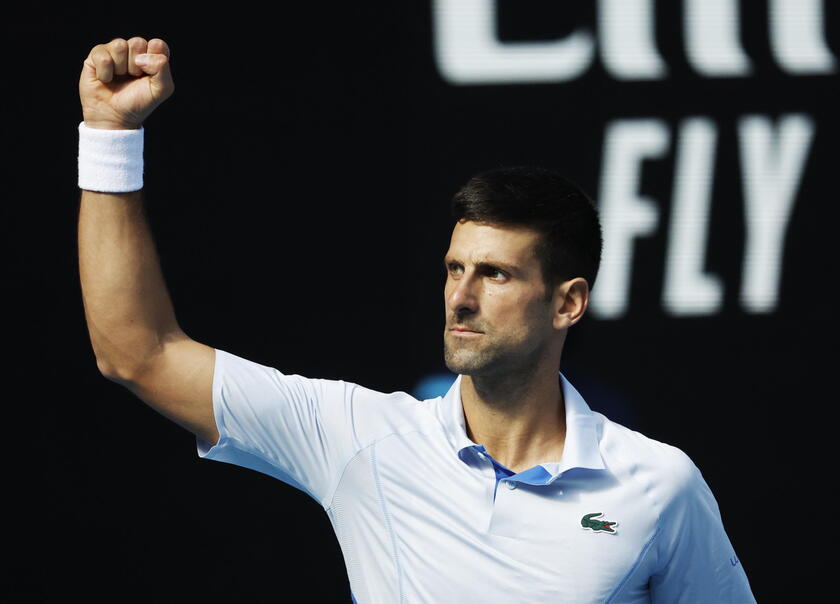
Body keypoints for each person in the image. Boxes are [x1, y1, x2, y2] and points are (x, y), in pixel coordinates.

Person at [78, 37, 756, 603]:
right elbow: (138, 353)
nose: (460, 297)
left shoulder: (659, 485)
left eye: (495, 275)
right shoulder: (360, 437)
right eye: (454, 269)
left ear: (568, 303)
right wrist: (111, 136)